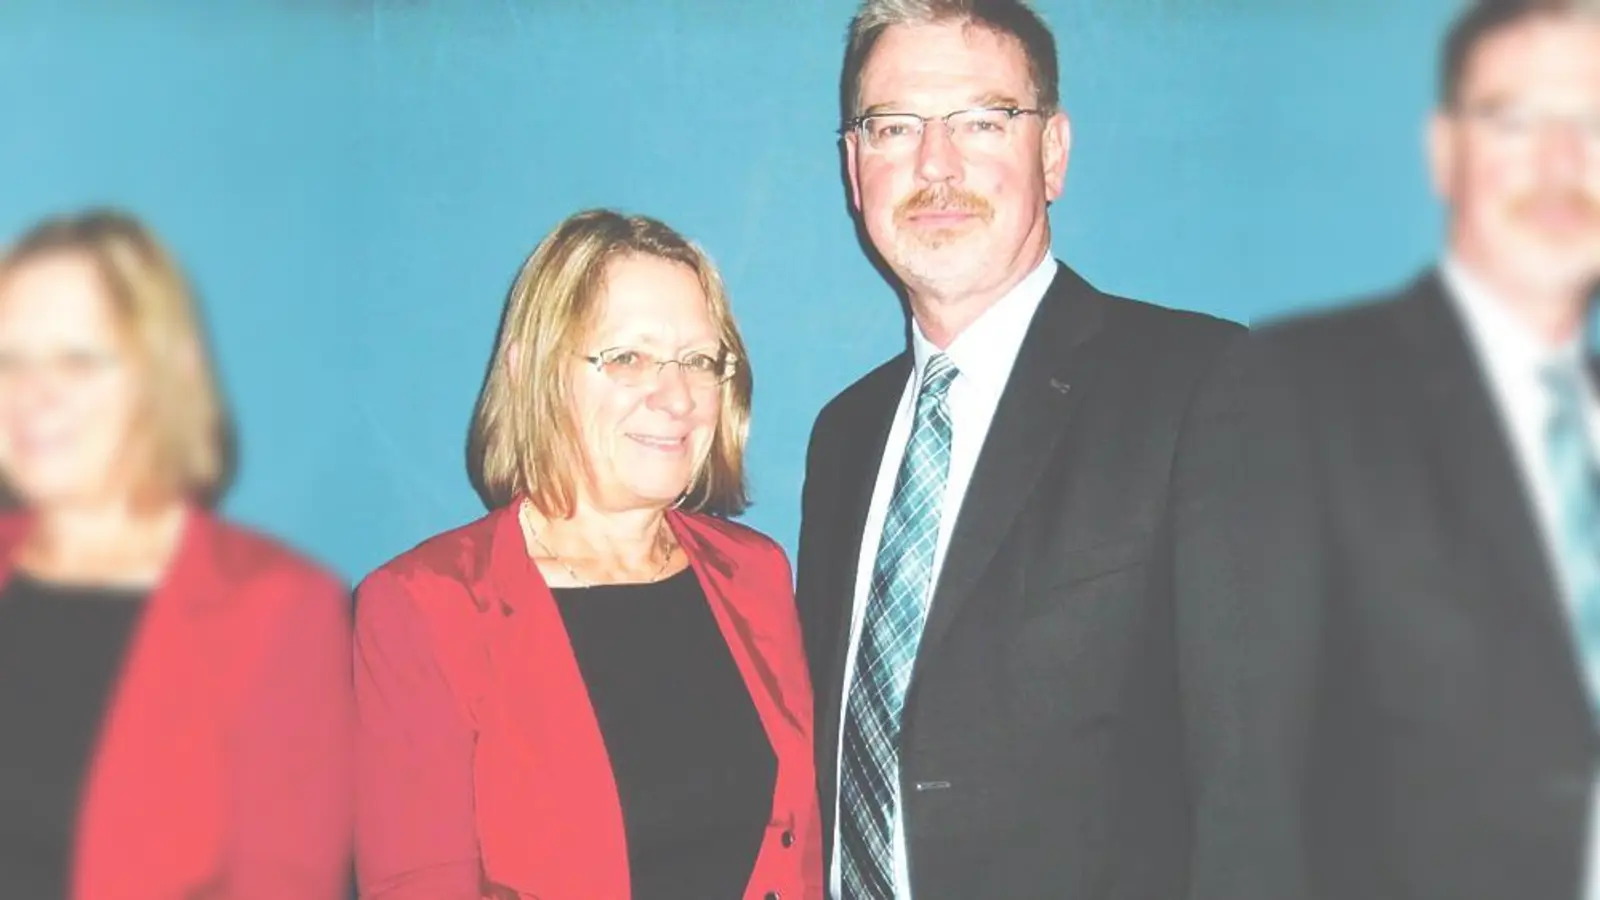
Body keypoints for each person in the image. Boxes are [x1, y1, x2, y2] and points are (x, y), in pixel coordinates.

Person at [795, 1, 1312, 898]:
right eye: (894, 127)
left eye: (983, 121)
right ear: (853, 166)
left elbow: (1266, 784)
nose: (936, 164)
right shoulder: (842, 437)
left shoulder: (1204, 385)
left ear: (1054, 153)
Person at [353, 209, 822, 900]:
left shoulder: (754, 573)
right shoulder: (426, 608)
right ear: (530, 372)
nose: (677, 396)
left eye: (698, 360)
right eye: (627, 358)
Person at [1258, 1, 1600, 897]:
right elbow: (1244, 784)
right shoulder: (1295, 391)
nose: (1562, 164)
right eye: (1516, 121)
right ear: (1444, 151)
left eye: (1594, 121)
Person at [0, 209, 353, 899]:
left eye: (79, 359)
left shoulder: (282, 611)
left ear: (170, 374)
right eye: (8, 359)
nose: (33, 395)